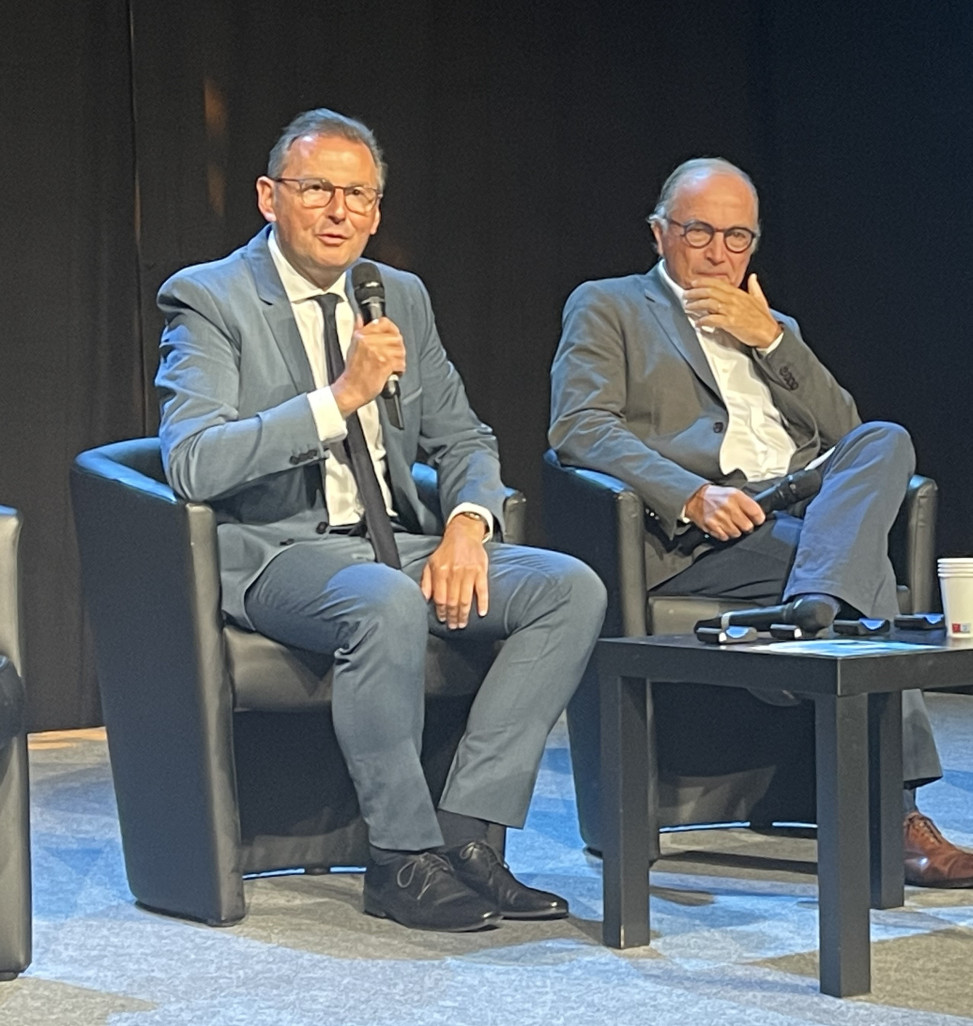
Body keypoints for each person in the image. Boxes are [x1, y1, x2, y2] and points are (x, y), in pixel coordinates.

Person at [155, 108, 606, 932]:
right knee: (385, 599)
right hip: (278, 554)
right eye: (318, 189)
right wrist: (339, 399)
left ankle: (469, 837)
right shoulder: (209, 297)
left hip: (398, 540)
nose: (340, 213)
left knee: (566, 588)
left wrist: (467, 527)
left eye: (359, 195)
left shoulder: (398, 296)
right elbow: (192, 462)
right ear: (268, 196)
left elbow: (463, 435)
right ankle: (400, 859)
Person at [549, 156, 973, 887]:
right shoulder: (608, 305)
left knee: (887, 438)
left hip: (801, 513)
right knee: (860, 567)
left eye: (736, 238)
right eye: (699, 233)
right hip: (706, 530)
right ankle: (893, 813)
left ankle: (813, 607)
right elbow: (578, 428)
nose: (718, 254)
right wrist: (688, 493)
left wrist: (772, 341)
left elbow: (845, 432)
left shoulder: (774, 325)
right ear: (659, 233)